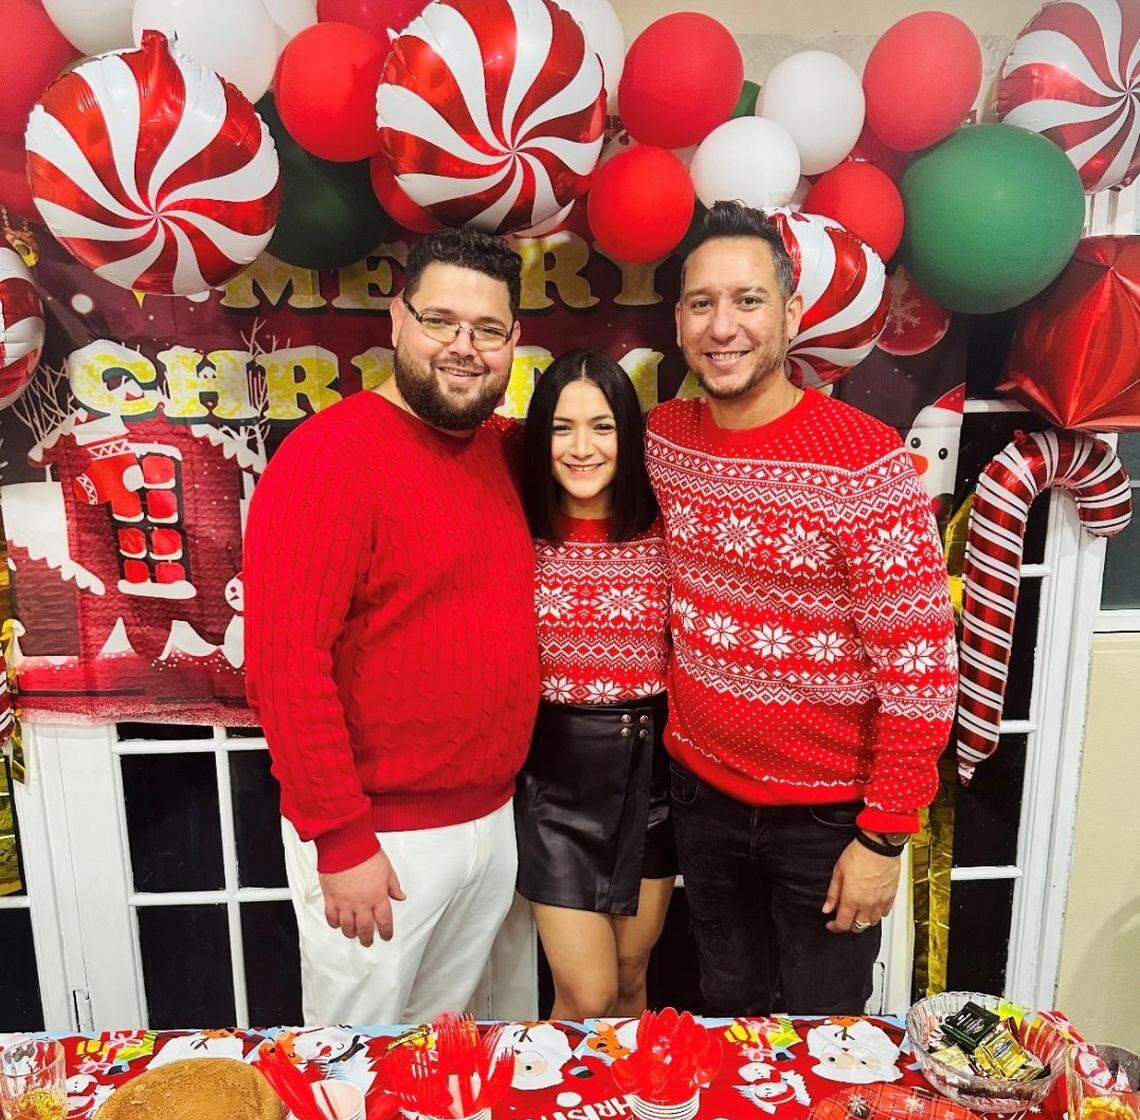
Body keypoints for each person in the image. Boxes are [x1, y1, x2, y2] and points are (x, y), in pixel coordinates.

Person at [646, 200, 957, 1016]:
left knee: (824, 1044)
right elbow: (555, 452)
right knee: (726, 1016)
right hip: (701, 798)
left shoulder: (865, 462)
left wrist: (883, 835)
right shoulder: (663, 439)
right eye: (702, 303)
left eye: (747, 301)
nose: (724, 326)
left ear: (788, 315)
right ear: (679, 320)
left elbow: (920, 671)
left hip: (828, 825)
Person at [244, 227, 538, 1026]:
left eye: (487, 329)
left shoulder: (498, 453)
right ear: (397, 320)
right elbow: (284, 666)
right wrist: (340, 840)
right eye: (441, 320)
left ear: (515, 342)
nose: (463, 347)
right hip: (381, 843)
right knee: (357, 1072)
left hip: (493, 823)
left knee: (455, 1064)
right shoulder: (328, 459)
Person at [515, 350, 675, 1019]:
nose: (582, 448)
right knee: (587, 992)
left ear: (627, 435)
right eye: (561, 427)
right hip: (556, 783)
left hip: (652, 779)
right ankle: (558, 1117)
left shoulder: (666, 530)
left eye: (602, 426)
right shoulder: (516, 531)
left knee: (633, 977)